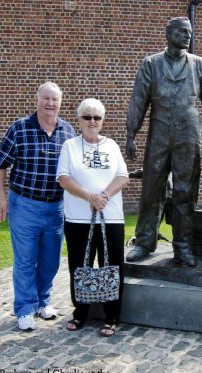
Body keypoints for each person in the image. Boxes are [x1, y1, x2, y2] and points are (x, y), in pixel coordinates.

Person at [125, 16, 202, 267]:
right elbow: (138, 100)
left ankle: (183, 246)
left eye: (189, 32)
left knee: (185, 193)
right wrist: (131, 134)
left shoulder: (198, 65)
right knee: (151, 189)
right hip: (159, 133)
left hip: (188, 135)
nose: (187, 35)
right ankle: (145, 241)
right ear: (168, 34)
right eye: (181, 32)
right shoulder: (151, 64)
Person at [0, 81, 76, 331]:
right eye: (46, 98)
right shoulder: (19, 128)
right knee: (26, 259)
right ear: (37, 99)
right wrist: (0, 197)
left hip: (56, 207)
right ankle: (25, 308)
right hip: (24, 204)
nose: (50, 104)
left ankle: (43, 301)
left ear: (60, 103)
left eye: (55, 99)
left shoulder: (67, 131)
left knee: (51, 260)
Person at [57, 98, 129, 337]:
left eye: (97, 117)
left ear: (102, 121)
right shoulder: (70, 146)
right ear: (79, 120)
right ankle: (80, 314)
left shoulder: (112, 146)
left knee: (112, 266)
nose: (92, 121)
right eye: (87, 117)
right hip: (78, 219)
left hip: (111, 218)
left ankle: (112, 316)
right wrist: (89, 197)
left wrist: (104, 196)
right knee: (80, 266)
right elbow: (64, 178)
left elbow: (122, 176)